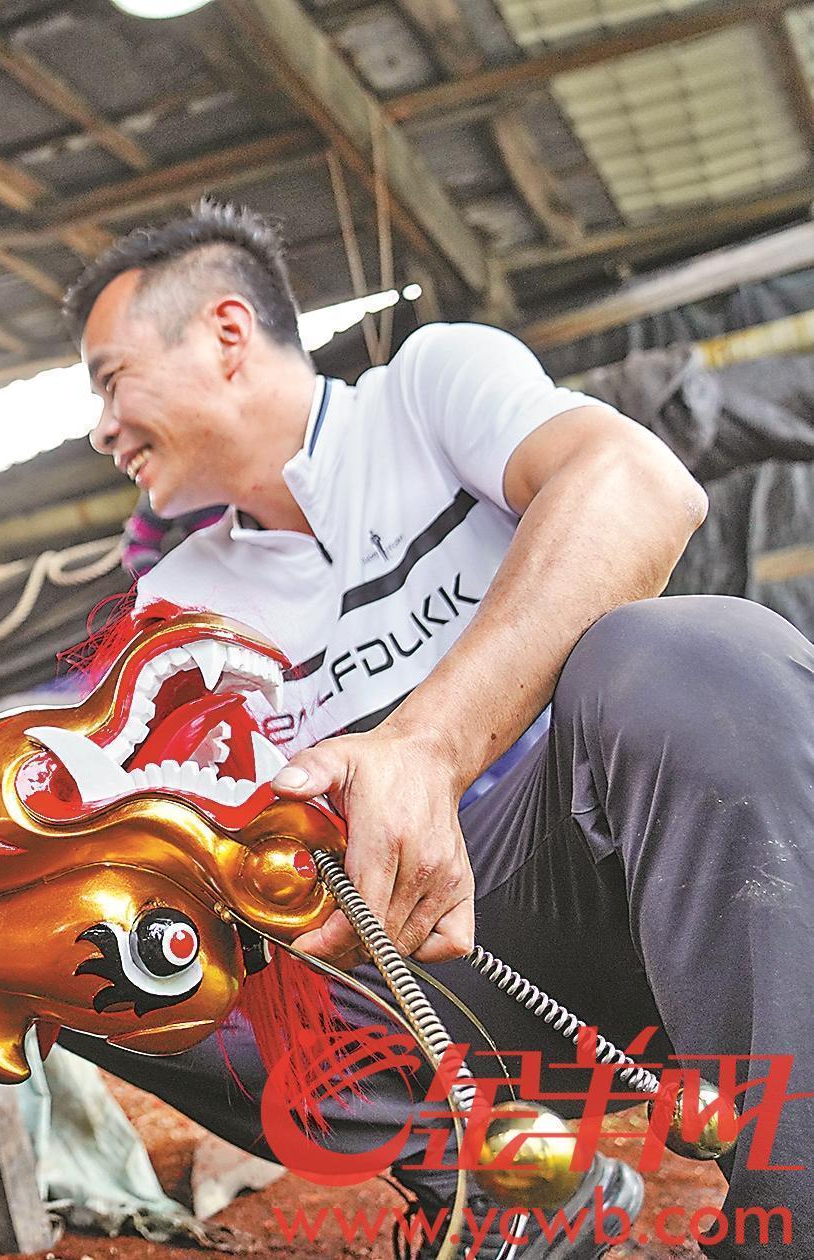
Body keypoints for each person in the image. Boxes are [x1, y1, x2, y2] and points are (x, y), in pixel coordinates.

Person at [56, 200, 814, 1260]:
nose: (101, 428)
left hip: (636, 888)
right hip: (420, 996)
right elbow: (87, 802)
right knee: (70, 932)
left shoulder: (422, 391)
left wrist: (426, 747)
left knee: (696, 655)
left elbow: (641, 483)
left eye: (108, 378)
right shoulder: (174, 603)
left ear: (227, 337)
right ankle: (507, 1192)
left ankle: (795, 1215)